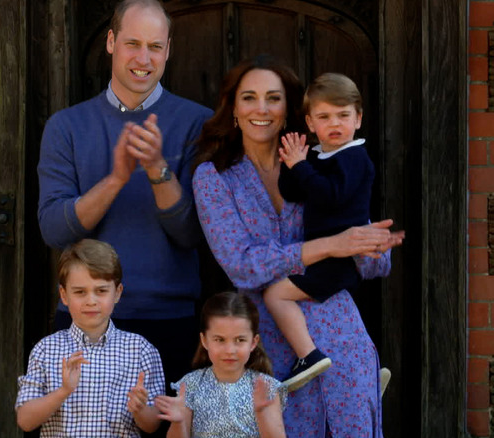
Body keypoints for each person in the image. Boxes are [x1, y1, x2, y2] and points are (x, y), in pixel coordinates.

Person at [191, 55, 403, 437]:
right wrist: (330, 246)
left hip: (341, 333)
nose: (261, 109)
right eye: (249, 98)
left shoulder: (319, 162)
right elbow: (242, 265)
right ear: (233, 109)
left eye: (273, 98)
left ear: (288, 110)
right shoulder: (214, 177)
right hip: (265, 343)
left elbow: (372, 259)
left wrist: (372, 245)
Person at [36, 0, 213, 417]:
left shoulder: (198, 124)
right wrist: (116, 178)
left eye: (155, 46)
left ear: (168, 50)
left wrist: (156, 169)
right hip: (84, 325)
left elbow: (194, 234)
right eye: (133, 43)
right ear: (111, 42)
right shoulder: (66, 126)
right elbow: (53, 231)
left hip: (170, 322)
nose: (143, 58)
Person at [262, 73, 376, 391]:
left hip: (338, 260)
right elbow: (293, 191)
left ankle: (308, 356)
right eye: (324, 117)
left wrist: (301, 166)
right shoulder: (318, 156)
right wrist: (292, 163)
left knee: (275, 294)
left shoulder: (355, 158)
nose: (334, 124)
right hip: (323, 255)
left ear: (358, 118)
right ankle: (358, 372)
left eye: (343, 115)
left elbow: (330, 195)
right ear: (311, 123)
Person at [15, 239, 164, 436]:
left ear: (117, 293)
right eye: (80, 292)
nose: (91, 301)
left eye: (101, 291)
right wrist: (64, 391)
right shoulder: (46, 350)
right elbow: (25, 421)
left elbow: (153, 425)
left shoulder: (140, 350)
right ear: (64, 295)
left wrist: (140, 409)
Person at [154, 292, 287, 438]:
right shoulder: (190, 385)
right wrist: (178, 422)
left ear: (253, 342)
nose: (230, 350)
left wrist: (262, 414)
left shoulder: (266, 387)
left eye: (240, 340)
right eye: (220, 340)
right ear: (204, 340)